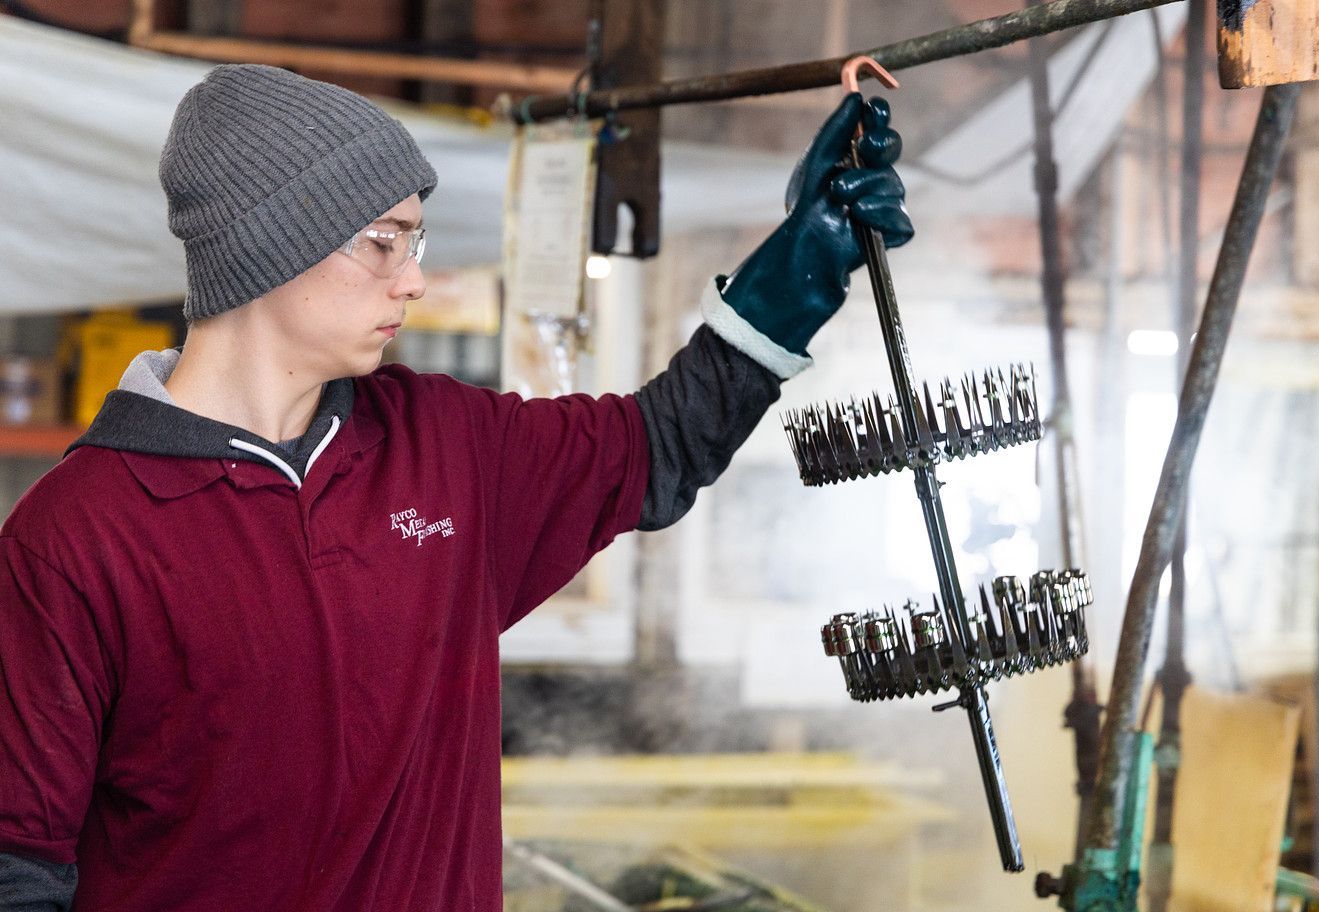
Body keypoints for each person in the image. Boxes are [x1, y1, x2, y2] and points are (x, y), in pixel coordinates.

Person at [0, 64, 912, 910]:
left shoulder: (449, 447)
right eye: (383, 243)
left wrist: (803, 262)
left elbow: (661, 443)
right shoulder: (74, 539)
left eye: (416, 240)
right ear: (272, 246)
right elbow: (19, 871)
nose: (417, 281)